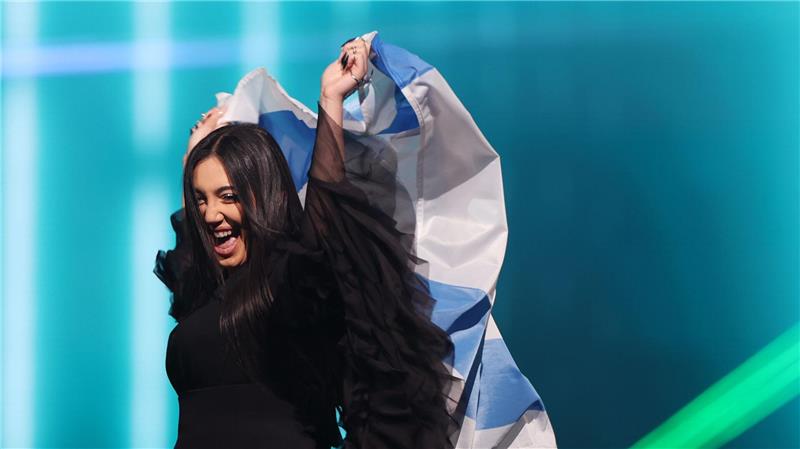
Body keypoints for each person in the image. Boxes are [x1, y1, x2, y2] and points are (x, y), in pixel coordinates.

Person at [154, 36, 457, 448]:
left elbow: (326, 219)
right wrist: (194, 158)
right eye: (201, 200)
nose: (210, 214)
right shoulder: (202, 292)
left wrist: (330, 99)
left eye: (228, 196)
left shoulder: (292, 286)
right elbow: (190, 254)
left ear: (263, 196)